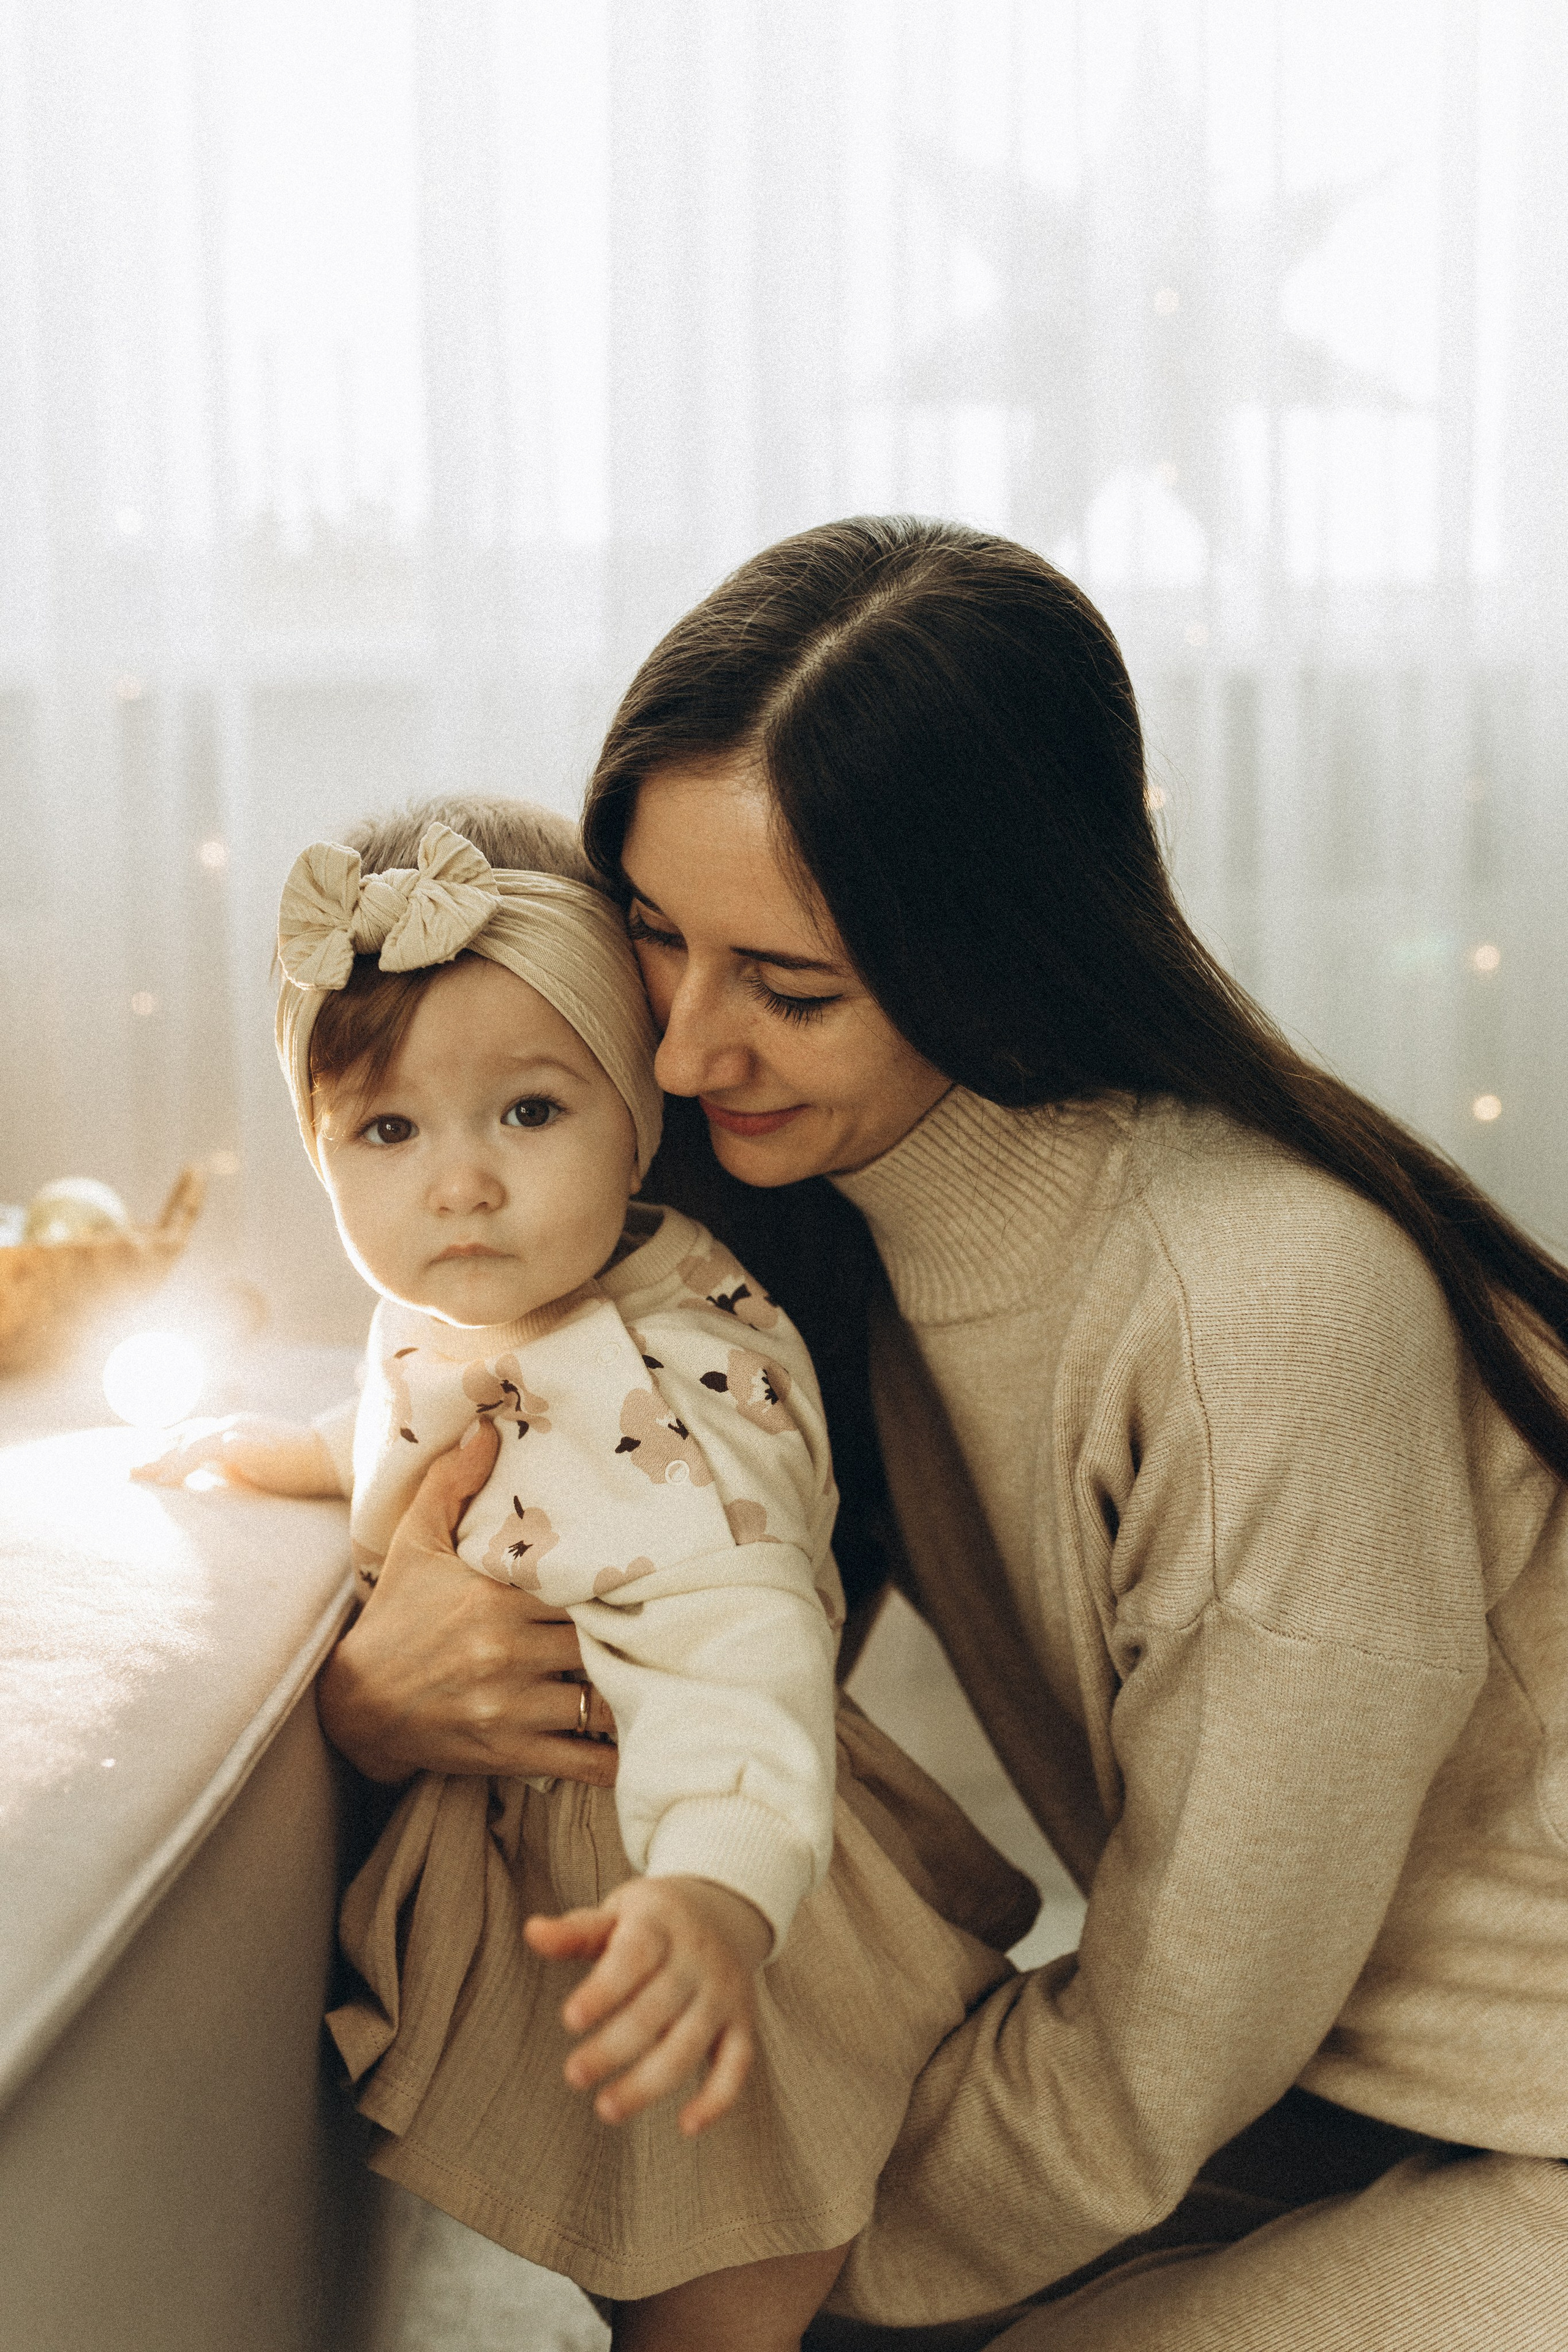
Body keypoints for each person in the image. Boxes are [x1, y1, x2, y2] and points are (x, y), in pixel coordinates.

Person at [317, 519, 1568, 2350]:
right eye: (653, 938)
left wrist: (788, 2278)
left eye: (791, 988)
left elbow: (1173, 2041)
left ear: (1000, 952)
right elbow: (688, 1643)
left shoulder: (1265, 1306)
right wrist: (373, 1693)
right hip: (1326, 2109)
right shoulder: (779, 1252)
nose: (682, 1051)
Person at [137, 793, 1036, 2352]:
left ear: (637, 1118)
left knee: (717, 2261)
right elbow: (447, 1424)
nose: (460, 1185)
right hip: (594, 1871)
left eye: (529, 1113)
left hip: (691, 1854)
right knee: (634, 2237)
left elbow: (742, 1646)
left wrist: (715, 1897)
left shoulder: (665, 1398)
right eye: (388, 1132)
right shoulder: (491, 1304)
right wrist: (313, 1454)